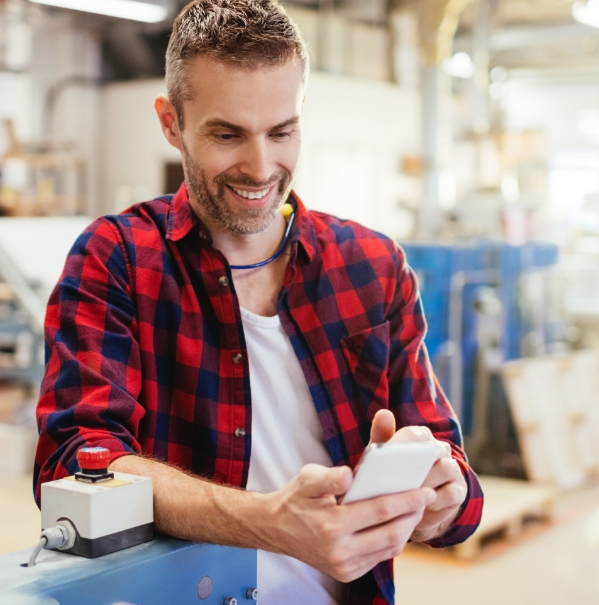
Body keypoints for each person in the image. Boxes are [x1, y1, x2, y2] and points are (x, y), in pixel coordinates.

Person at [34, 0, 482, 602]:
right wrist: (270, 522)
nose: (261, 166)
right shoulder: (117, 259)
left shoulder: (372, 266)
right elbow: (76, 463)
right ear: (172, 123)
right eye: (227, 134)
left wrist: (439, 499)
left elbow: (452, 470)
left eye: (282, 131)